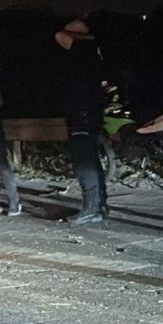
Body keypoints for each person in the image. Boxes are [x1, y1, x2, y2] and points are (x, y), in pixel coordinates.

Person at [55, 19, 107, 224]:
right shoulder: (93, 51)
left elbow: (59, 35)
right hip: (90, 110)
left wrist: (82, 35)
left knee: (84, 159)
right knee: (91, 158)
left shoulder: (84, 47)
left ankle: (91, 208)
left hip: (81, 111)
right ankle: (99, 205)